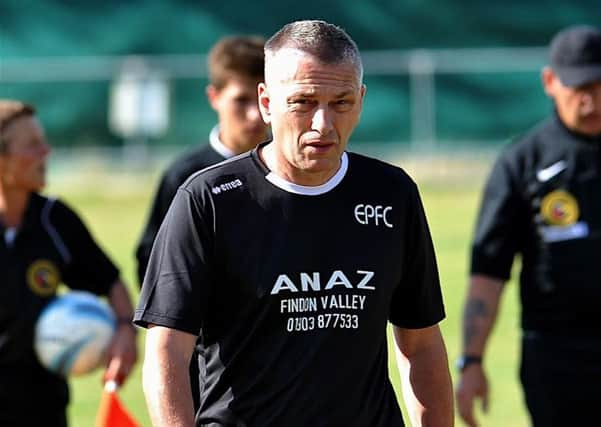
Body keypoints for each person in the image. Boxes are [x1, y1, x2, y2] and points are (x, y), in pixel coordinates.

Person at [134, 19, 453, 427]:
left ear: (361, 98)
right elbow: (166, 353)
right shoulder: (207, 200)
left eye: (341, 102)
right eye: (303, 102)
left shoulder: (392, 194)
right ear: (266, 102)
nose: (323, 125)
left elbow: (421, 342)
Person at [456, 25, 601, 427]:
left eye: (599, 84)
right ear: (551, 81)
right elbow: (489, 271)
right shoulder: (523, 162)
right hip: (556, 356)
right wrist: (471, 362)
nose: (591, 99)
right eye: (579, 86)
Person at [0, 100, 138, 426]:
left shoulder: (54, 219)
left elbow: (111, 283)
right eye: (33, 145)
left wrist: (124, 332)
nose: (46, 152)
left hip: (42, 407)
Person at [135, 34, 269, 286]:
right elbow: (153, 262)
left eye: (264, 100)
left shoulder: (296, 168)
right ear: (214, 97)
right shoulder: (186, 175)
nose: (255, 114)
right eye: (241, 100)